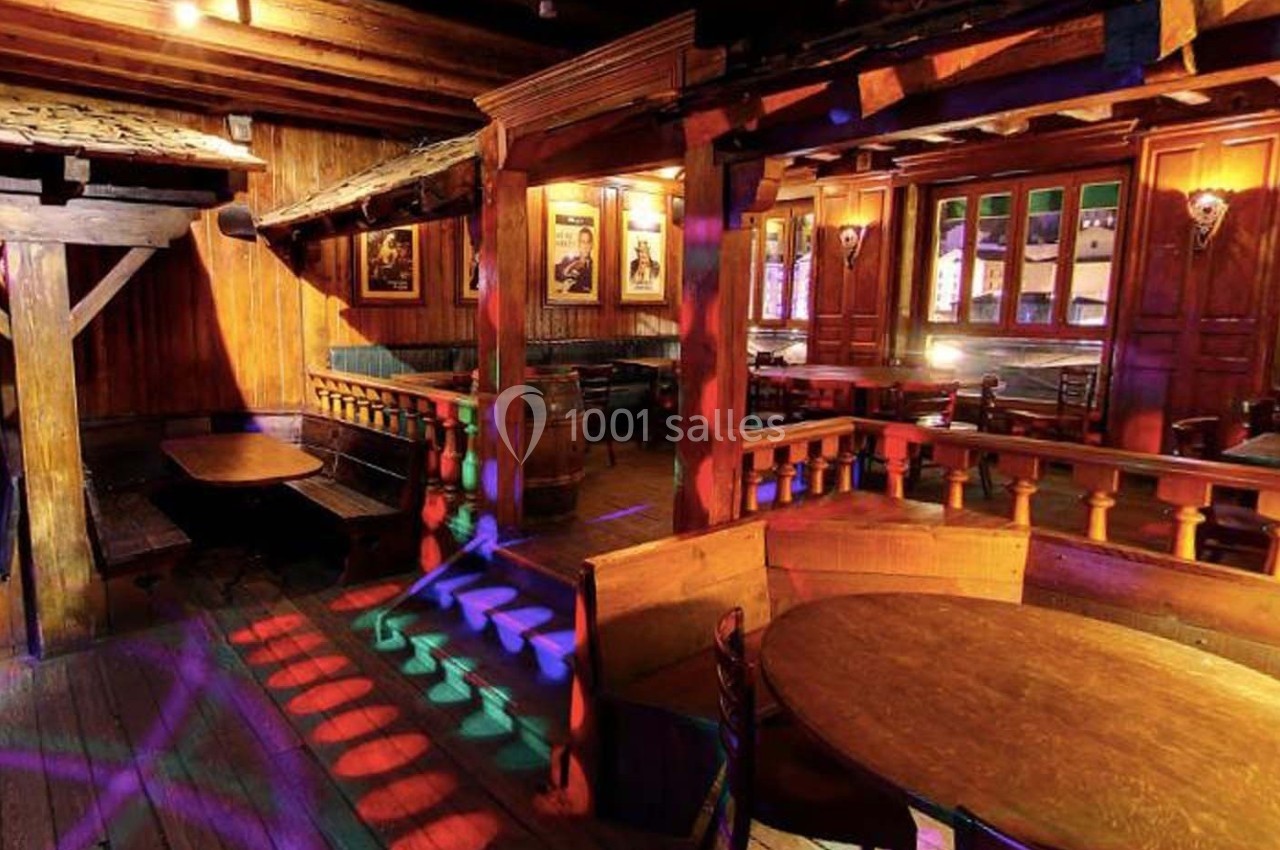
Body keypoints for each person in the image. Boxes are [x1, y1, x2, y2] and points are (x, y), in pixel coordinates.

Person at [554, 226, 595, 294]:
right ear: (578, 244)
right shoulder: (568, 260)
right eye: (582, 242)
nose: (585, 246)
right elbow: (554, 272)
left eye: (588, 242)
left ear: (591, 245)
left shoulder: (596, 267)